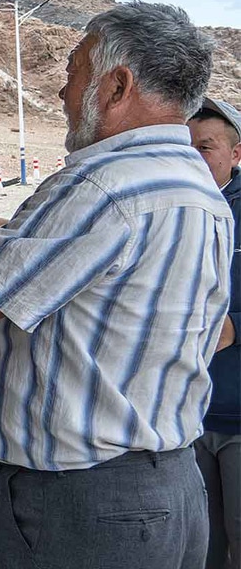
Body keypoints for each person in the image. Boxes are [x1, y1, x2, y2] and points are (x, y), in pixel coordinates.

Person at [0, 1, 228, 569]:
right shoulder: (196, 189)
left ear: (117, 84)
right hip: (170, 492)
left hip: (86, 511)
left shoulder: (104, 185)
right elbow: (34, 246)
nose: (62, 91)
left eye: (74, 71)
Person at [188, 97, 241, 569]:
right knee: (199, 543)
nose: (193, 157)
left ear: (236, 155)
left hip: (239, 416)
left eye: (205, 147)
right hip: (185, 415)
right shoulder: (175, 206)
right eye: (186, 146)